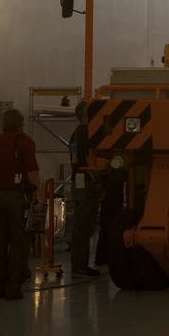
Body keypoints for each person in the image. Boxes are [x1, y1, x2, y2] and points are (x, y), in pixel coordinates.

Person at [0, 109, 39, 300]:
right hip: (15, 198)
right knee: (19, 243)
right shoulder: (25, 143)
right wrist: (37, 197)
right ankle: (13, 289)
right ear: (20, 123)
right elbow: (32, 174)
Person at [69, 101, 100, 277]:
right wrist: (95, 180)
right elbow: (86, 161)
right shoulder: (85, 133)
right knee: (83, 226)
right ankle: (79, 267)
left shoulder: (77, 133)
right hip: (85, 183)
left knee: (85, 226)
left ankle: (81, 265)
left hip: (80, 183)